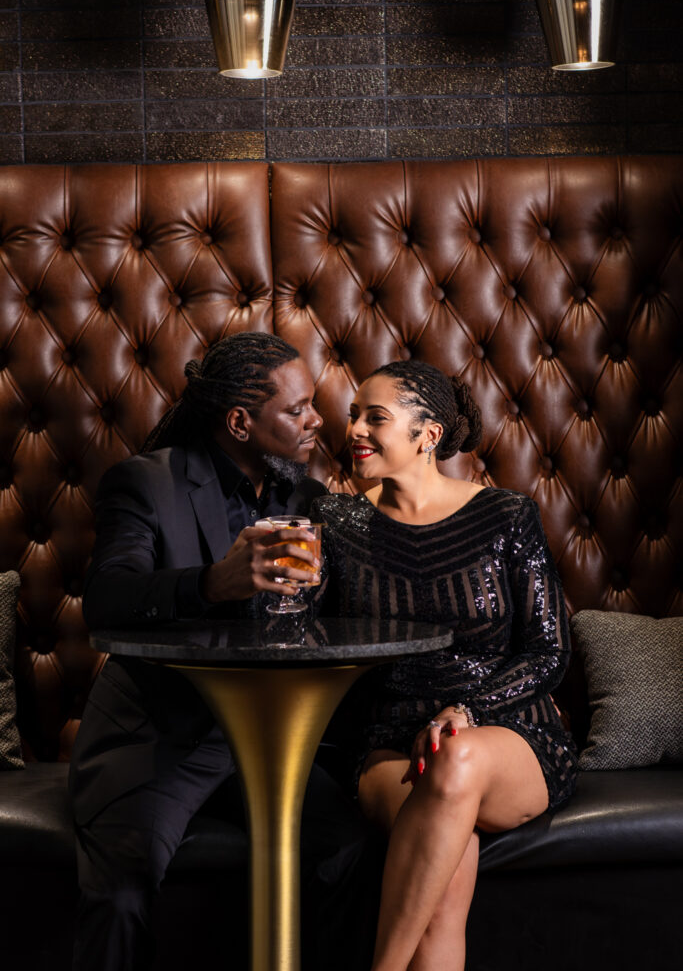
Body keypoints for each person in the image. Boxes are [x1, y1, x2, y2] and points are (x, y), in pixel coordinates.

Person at [69, 332, 379, 971]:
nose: (318, 420)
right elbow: (106, 600)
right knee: (123, 893)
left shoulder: (306, 499)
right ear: (240, 422)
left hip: (265, 743)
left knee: (351, 853)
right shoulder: (143, 484)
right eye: (298, 410)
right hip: (158, 736)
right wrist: (212, 583)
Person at [312, 359, 578, 971]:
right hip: (386, 743)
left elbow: (549, 650)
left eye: (375, 417)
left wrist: (470, 709)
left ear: (427, 435)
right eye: (352, 415)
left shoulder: (507, 515)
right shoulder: (337, 522)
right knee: (443, 866)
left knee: (454, 756)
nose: (354, 429)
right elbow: (309, 640)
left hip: (507, 731)